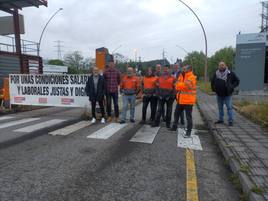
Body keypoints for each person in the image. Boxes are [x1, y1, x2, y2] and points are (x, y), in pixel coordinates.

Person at [170, 65, 197, 138]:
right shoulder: (181, 76)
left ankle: (188, 132)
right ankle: (174, 127)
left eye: (184, 68)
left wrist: (179, 85)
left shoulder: (192, 77)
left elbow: (187, 87)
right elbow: (176, 85)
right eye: (183, 68)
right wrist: (180, 85)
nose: (183, 69)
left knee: (188, 117)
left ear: (189, 69)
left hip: (188, 101)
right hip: (180, 99)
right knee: (176, 113)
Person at [211, 61, 240, 126]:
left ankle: (230, 121)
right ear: (218, 66)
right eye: (220, 65)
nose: (221, 66)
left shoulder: (230, 73)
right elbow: (212, 81)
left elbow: (237, 81)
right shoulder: (216, 73)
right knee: (220, 107)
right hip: (219, 94)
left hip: (228, 94)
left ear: (225, 66)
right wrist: (214, 89)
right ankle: (221, 119)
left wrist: (232, 86)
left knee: (229, 107)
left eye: (222, 65)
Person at [103, 57, 121, 122]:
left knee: (116, 104)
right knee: (108, 104)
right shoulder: (105, 72)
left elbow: (119, 81)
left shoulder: (117, 72)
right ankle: (109, 116)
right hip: (108, 91)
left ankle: (117, 117)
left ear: (114, 64)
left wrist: (116, 86)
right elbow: (104, 81)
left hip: (115, 91)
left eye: (112, 64)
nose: (111, 65)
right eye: (110, 64)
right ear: (108, 64)